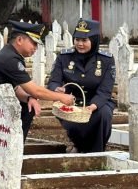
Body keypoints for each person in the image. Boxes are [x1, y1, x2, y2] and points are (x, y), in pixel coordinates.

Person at [0, 21, 76, 158]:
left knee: (27, 107)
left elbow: (17, 88)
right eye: (33, 43)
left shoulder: (11, 55)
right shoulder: (10, 59)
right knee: (9, 134)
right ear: (19, 40)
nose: (35, 48)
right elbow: (36, 90)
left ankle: (14, 150)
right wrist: (61, 97)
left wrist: (29, 98)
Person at [47, 19, 116, 153]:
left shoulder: (106, 60)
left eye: (85, 40)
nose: (80, 44)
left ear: (94, 40)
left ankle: (97, 152)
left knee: (104, 114)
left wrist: (93, 106)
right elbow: (54, 81)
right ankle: (77, 143)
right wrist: (57, 90)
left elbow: (105, 89)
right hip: (71, 101)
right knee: (72, 118)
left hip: (97, 102)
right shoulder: (64, 57)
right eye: (77, 39)